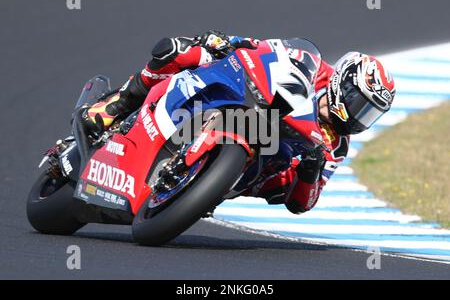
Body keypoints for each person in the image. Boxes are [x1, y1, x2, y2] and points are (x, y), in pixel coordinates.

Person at [82, 30, 396, 214]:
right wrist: (227, 41)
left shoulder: (336, 145)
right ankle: (117, 104)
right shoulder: (315, 68)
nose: (358, 117)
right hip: (251, 100)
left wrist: (310, 174)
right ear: (345, 83)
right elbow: (265, 49)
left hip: (264, 157)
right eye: (360, 104)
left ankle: (203, 184)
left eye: (369, 113)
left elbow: (303, 204)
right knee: (183, 51)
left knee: (280, 182)